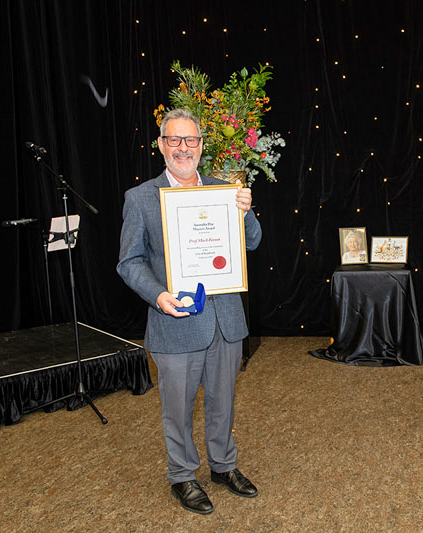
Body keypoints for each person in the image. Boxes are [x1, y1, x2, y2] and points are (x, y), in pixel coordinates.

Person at [117, 108, 262, 514]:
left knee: (223, 400)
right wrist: (158, 294)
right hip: (174, 322)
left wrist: (246, 210)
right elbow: (129, 262)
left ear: (201, 146)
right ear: (162, 146)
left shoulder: (224, 190)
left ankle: (223, 465)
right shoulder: (141, 198)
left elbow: (252, 242)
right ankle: (182, 475)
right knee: (177, 409)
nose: (184, 148)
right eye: (174, 140)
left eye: (191, 140)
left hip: (225, 322)